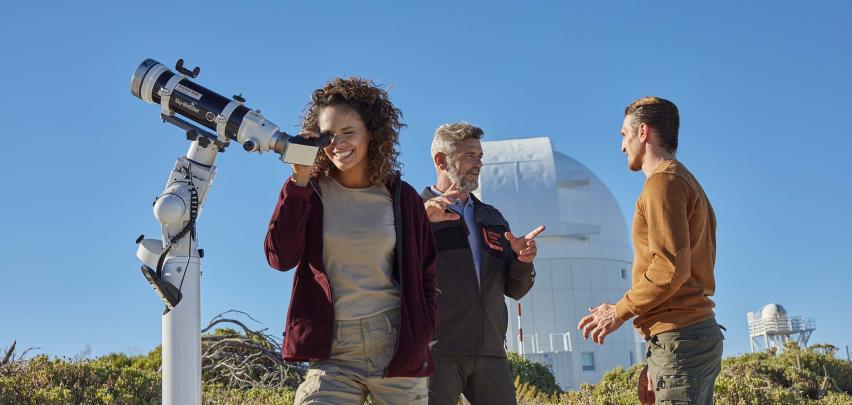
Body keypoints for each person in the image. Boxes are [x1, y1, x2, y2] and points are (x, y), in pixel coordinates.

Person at [264, 77, 437, 405]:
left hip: (395, 343)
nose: (337, 144)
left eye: (348, 132)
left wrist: (423, 331)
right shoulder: (309, 192)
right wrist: (298, 179)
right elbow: (280, 258)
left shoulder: (402, 197)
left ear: (372, 133)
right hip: (333, 349)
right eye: (328, 135)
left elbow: (426, 271)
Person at [577, 97, 723, 405]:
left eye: (623, 134)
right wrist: (657, 360)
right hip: (683, 338)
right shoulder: (683, 180)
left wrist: (618, 312)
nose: (621, 146)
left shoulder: (663, 183)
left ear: (643, 132)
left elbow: (670, 269)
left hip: (680, 339)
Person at [421, 122, 544, 405]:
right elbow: (394, 272)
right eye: (469, 156)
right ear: (441, 160)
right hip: (437, 351)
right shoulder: (413, 212)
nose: (478, 163)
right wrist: (419, 222)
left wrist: (522, 260)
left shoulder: (492, 217)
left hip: (490, 351)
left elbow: (515, 289)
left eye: (479, 156)